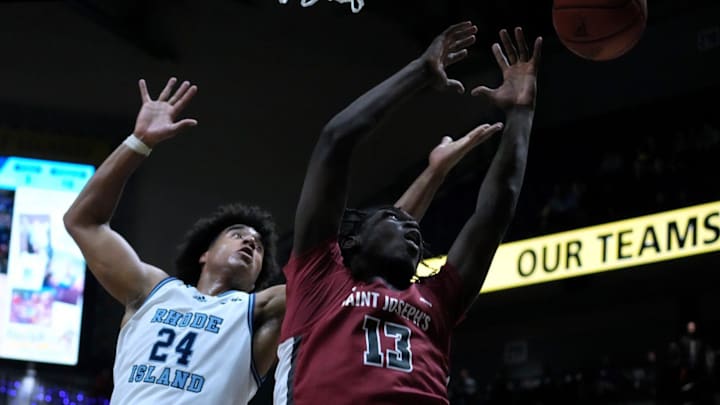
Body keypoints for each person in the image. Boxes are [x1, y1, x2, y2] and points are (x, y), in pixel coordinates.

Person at [64, 76, 497, 404]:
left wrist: (434, 173)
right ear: (203, 254)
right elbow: (83, 221)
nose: (250, 243)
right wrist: (137, 142)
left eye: (258, 246)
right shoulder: (150, 290)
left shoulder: (261, 310)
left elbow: (374, 245)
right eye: (237, 235)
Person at [275, 22, 541, 404]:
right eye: (395, 219)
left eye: (414, 230)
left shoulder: (438, 299)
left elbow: (496, 210)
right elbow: (336, 141)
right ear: (350, 239)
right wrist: (418, 72)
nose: (412, 231)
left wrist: (520, 113)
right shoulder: (320, 277)